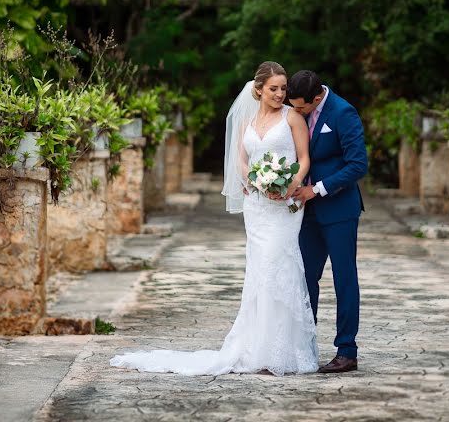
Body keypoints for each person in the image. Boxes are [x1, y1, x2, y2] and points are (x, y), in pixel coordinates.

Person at [110, 61, 319, 376]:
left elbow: (304, 160)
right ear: (259, 89)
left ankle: (285, 351)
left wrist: (289, 185)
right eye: (273, 89)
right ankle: (256, 348)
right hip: (258, 206)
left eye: (283, 89)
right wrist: (255, 182)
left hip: (284, 207)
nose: (280, 94)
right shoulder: (246, 120)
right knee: (259, 270)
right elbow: (240, 159)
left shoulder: (293, 119)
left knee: (282, 265)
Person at [289, 70, 368, 374]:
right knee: (304, 277)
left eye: (301, 108)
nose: (296, 112)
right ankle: (304, 346)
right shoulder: (297, 109)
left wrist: (317, 189)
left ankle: (347, 351)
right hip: (307, 212)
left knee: (344, 278)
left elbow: (358, 164)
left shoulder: (343, 112)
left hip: (339, 209)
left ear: (317, 97)